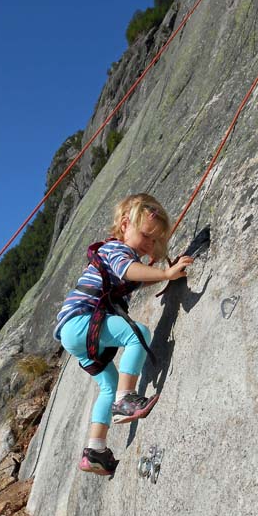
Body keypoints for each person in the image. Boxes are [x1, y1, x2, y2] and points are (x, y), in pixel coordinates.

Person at [54, 193, 193, 476]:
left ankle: (95, 450)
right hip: (83, 320)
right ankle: (126, 399)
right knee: (137, 333)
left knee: (107, 385)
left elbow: (130, 279)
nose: (149, 244)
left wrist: (161, 271)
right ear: (125, 224)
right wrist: (166, 275)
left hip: (74, 332)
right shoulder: (115, 250)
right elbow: (128, 271)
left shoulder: (122, 257)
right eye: (145, 235)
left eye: (155, 241)